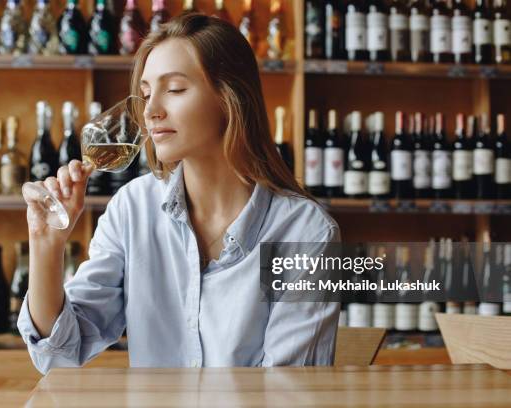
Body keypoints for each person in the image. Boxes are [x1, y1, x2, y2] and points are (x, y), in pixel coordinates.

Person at [18, 13, 340, 375]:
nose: (151, 111)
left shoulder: (305, 233)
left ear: (229, 97)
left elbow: (285, 391)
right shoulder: (132, 209)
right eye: (145, 94)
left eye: (174, 89)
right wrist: (47, 245)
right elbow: (57, 357)